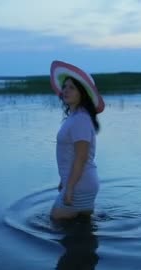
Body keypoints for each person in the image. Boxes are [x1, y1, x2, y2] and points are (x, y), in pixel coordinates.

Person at [49, 60, 105, 220]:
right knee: (83, 228)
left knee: (55, 222)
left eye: (72, 87)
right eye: (64, 86)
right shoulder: (76, 117)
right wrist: (64, 180)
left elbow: (81, 157)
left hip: (80, 184)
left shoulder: (80, 119)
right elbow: (69, 154)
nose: (65, 90)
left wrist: (71, 187)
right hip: (83, 183)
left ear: (82, 93)